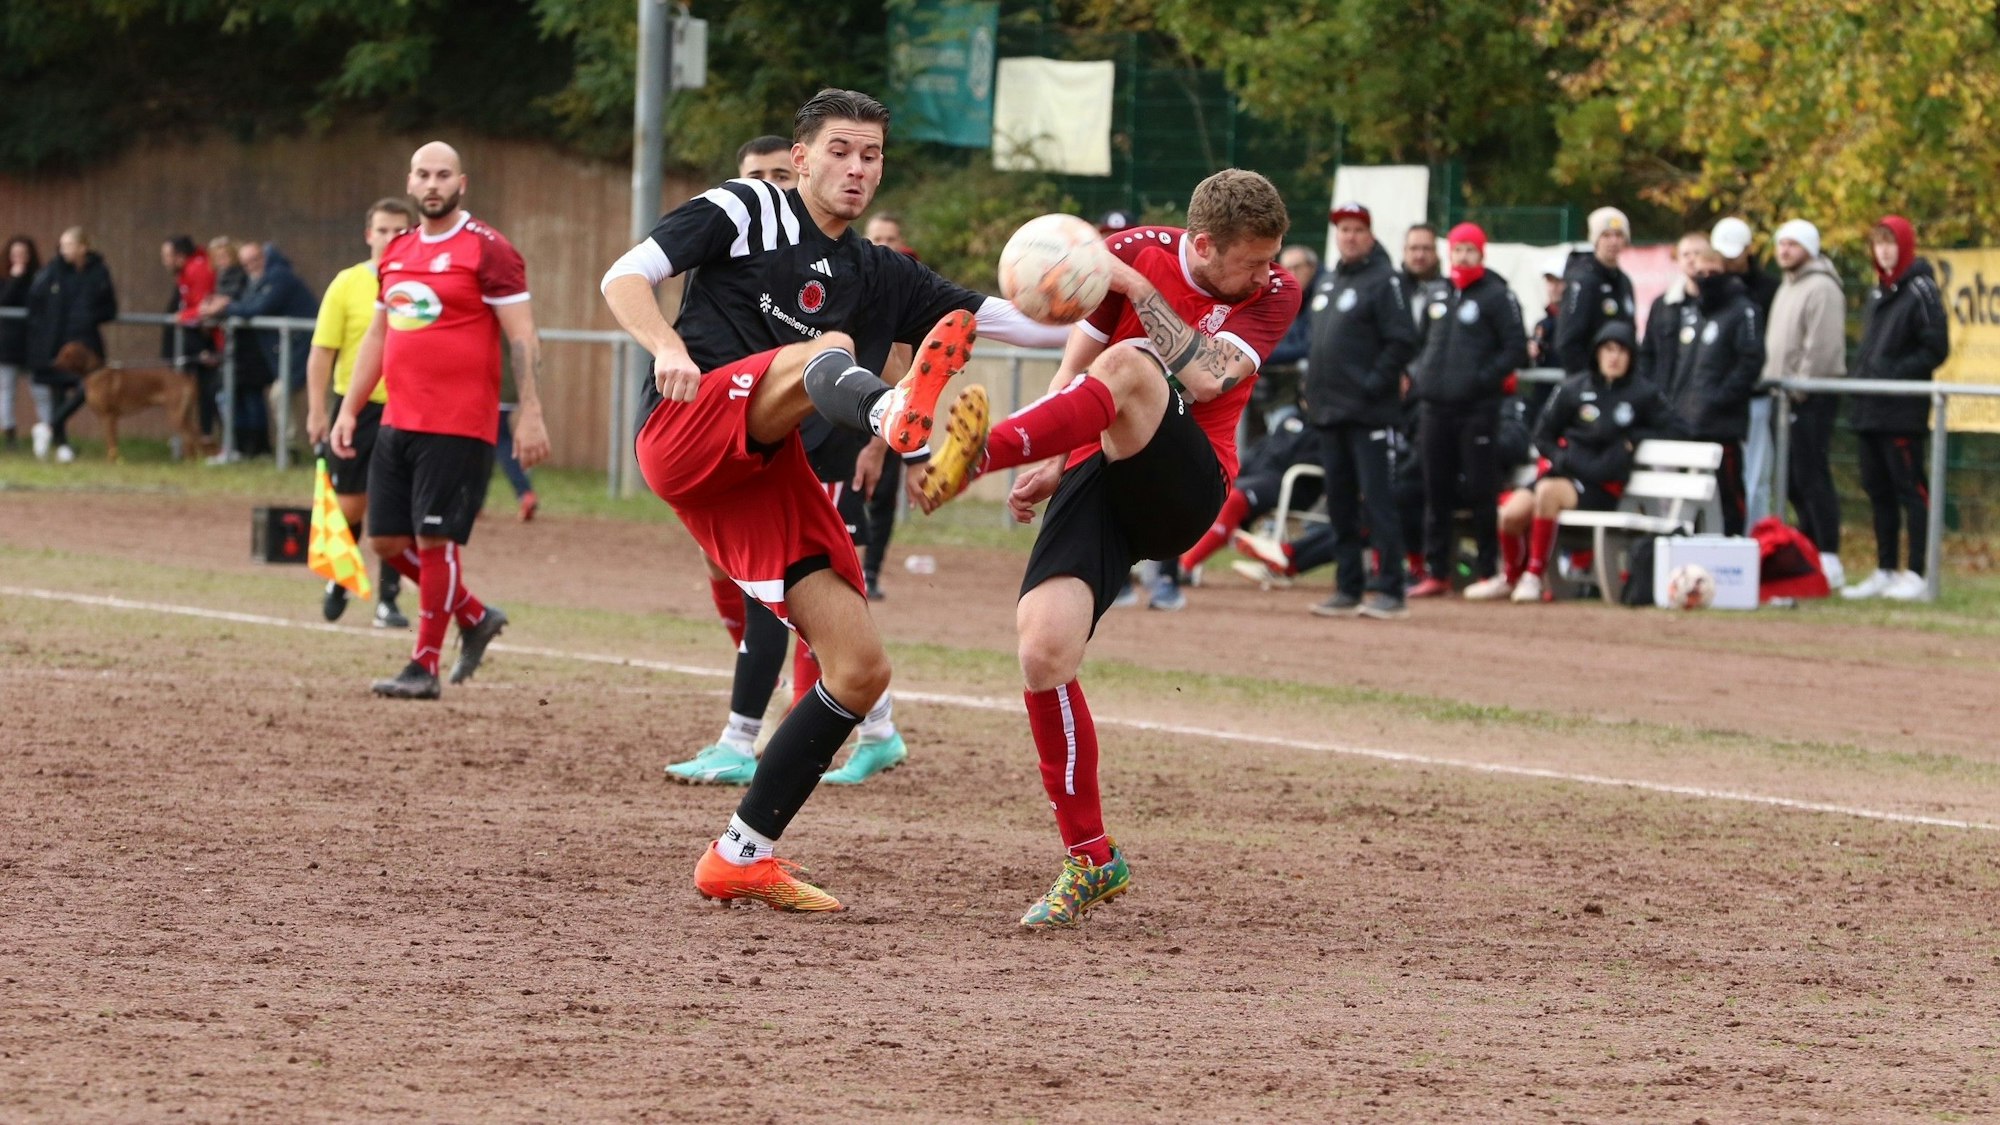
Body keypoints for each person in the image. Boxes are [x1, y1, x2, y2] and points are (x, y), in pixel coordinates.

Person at [599, 89, 1066, 913]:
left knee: (858, 668)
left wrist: (1120, 311)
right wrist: (666, 345)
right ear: (802, 157)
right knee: (833, 346)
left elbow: (1020, 322)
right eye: (841, 151)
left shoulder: (878, 272)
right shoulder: (745, 208)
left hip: (763, 475)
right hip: (685, 429)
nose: (857, 168)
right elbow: (624, 275)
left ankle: (740, 854)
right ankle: (894, 413)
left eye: (871, 156)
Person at [919, 169, 1300, 927]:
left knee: (1131, 364)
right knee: (1042, 651)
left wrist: (1136, 286)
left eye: (1270, 259)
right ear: (1203, 245)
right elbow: (1073, 368)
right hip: (1100, 467)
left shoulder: (1275, 293)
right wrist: (1051, 457)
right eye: (1252, 261)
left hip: (1188, 485)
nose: (1267, 274)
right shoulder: (1128, 251)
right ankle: (1092, 857)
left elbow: (1207, 375)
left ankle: (978, 456)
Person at [329, 140, 550, 699]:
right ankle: (473, 615)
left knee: (434, 542)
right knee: (385, 541)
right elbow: (378, 336)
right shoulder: (398, 249)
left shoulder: (489, 249)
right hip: (397, 420)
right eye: (424, 175)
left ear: (461, 183)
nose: (433, 184)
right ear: (410, 182)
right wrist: (350, 408)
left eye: (443, 175)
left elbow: (522, 336)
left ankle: (423, 667)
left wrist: (530, 411)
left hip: (457, 425)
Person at [1300, 201, 1419, 619]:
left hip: (1370, 415)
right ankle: (1348, 587)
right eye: (1343, 229)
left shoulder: (1386, 280)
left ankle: (1391, 589)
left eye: (1356, 229)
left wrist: (1371, 385)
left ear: (1370, 235)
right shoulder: (1329, 281)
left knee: (1378, 502)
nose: (1349, 236)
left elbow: (1403, 340)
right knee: (1340, 505)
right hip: (1329, 414)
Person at [1499, 321, 1674, 603]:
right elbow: (1542, 434)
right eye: (1608, 349)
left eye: (1622, 351)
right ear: (1597, 353)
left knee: (1547, 492)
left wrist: (1634, 439)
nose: (1614, 357)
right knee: (1510, 514)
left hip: (1602, 485)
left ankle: (1534, 576)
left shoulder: (1643, 393)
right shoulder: (1573, 388)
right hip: (1566, 471)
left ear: (1631, 356)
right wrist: (1560, 457)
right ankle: (1511, 578)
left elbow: (1676, 428)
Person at [308, 197, 416, 629]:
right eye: (383, 230)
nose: (390, 238)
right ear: (369, 235)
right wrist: (318, 411)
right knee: (351, 506)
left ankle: (388, 601)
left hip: (407, 407)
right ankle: (340, 578)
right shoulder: (347, 283)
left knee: (397, 509)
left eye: (399, 230)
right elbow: (322, 351)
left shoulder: (422, 283)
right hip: (357, 409)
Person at [1406, 223, 1527, 600]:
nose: (1463, 256)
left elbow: (1515, 347)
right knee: (1435, 489)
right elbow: (1422, 341)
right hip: (1434, 408)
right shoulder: (1438, 291)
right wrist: (1423, 375)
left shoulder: (1497, 295)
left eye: (1470, 250)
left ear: (1481, 253)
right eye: (1458, 250)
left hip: (1478, 409)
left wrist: (1482, 379)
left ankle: (1489, 570)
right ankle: (1437, 571)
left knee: (1480, 490)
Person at [1843, 215, 1949, 601]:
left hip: (1901, 411)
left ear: (1904, 245)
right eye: (1878, 243)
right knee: (1878, 489)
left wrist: (1892, 374)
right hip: (1870, 409)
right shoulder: (1878, 291)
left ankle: (1917, 572)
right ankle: (1885, 569)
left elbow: (1935, 348)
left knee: (1910, 490)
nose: (1884, 250)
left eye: (1890, 243)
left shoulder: (1921, 289)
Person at [1764, 218, 1847, 588]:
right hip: (1781, 397)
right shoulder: (1787, 286)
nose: (1784, 250)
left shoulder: (1822, 287)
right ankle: (1808, 546)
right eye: (1781, 243)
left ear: (1810, 249)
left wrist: (1798, 389)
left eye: (1793, 244)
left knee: (1812, 475)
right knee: (1792, 478)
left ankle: (1828, 553)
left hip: (1808, 399)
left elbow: (1822, 348)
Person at [1666, 246, 1765, 537]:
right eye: (1701, 273)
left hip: (1722, 425)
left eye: (1713, 272)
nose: (1707, 278)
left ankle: (1734, 548)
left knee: (1727, 495)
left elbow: (1751, 361)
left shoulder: (1743, 310)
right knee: (1689, 499)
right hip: (1687, 422)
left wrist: (1719, 399)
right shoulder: (1693, 311)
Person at [203, 239, 319, 459]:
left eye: (255, 260)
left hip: (309, 348)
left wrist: (226, 306)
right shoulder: (256, 280)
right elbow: (249, 305)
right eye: (246, 263)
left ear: (264, 257)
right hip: (291, 351)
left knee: (310, 397)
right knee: (282, 395)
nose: (251, 266)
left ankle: (316, 449)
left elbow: (259, 307)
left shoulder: (279, 276)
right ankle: (291, 449)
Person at [860, 211, 919, 600]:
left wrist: (882, 441)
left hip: (891, 414)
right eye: (875, 237)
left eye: (890, 238)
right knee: (844, 493)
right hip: (845, 413)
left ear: (902, 244)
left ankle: (870, 574)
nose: (882, 245)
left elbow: (907, 374)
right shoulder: (847, 284)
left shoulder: (908, 297)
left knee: (882, 498)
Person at [26, 226, 118, 463]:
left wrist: (90, 317)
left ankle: (48, 426)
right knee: (58, 388)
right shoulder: (53, 271)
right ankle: (61, 444)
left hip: (87, 341)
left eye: (68, 245)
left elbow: (110, 307)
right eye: (62, 245)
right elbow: (36, 300)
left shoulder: (98, 272)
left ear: (82, 247)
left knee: (88, 387)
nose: (63, 249)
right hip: (59, 338)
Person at [1712, 216, 1782, 525]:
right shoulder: (1709, 288)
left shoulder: (1769, 289)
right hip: (1716, 399)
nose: (1728, 262)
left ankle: (1755, 534)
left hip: (1753, 394)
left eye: (1735, 254)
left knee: (1755, 475)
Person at [1555, 206, 1635, 375]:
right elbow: (1567, 341)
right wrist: (1588, 380)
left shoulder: (1624, 281)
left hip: (1620, 380)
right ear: (1595, 239)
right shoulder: (1583, 281)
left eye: (1618, 235)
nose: (1613, 241)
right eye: (1606, 235)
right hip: (1589, 378)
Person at [161, 235, 221, 444]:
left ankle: (207, 437)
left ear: (179, 256)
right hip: (194, 339)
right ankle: (194, 437)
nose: (165, 261)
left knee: (207, 390)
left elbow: (203, 308)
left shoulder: (198, 270)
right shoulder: (188, 271)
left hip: (204, 340)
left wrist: (183, 317)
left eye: (167, 256)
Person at [1638, 232, 1709, 388]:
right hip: (1667, 394)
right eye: (1685, 254)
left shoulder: (1722, 303)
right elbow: (1647, 352)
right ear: (1678, 260)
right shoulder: (1663, 305)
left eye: (1697, 253)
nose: (1691, 259)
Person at [1, 236, 38, 449]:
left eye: (23, 254)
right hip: (7, 344)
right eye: (15, 254)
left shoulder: (38, 279)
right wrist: (15, 279)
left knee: (40, 390)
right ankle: (10, 435)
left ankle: (49, 431)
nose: (19, 258)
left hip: (32, 343)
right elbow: (3, 301)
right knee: (6, 391)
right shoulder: (4, 279)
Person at [1397, 223, 1449, 325]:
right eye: (1414, 248)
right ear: (1404, 251)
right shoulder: (1391, 291)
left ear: (1436, 252)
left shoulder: (1449, 291)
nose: (1420, 255)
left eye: (1426, 248)